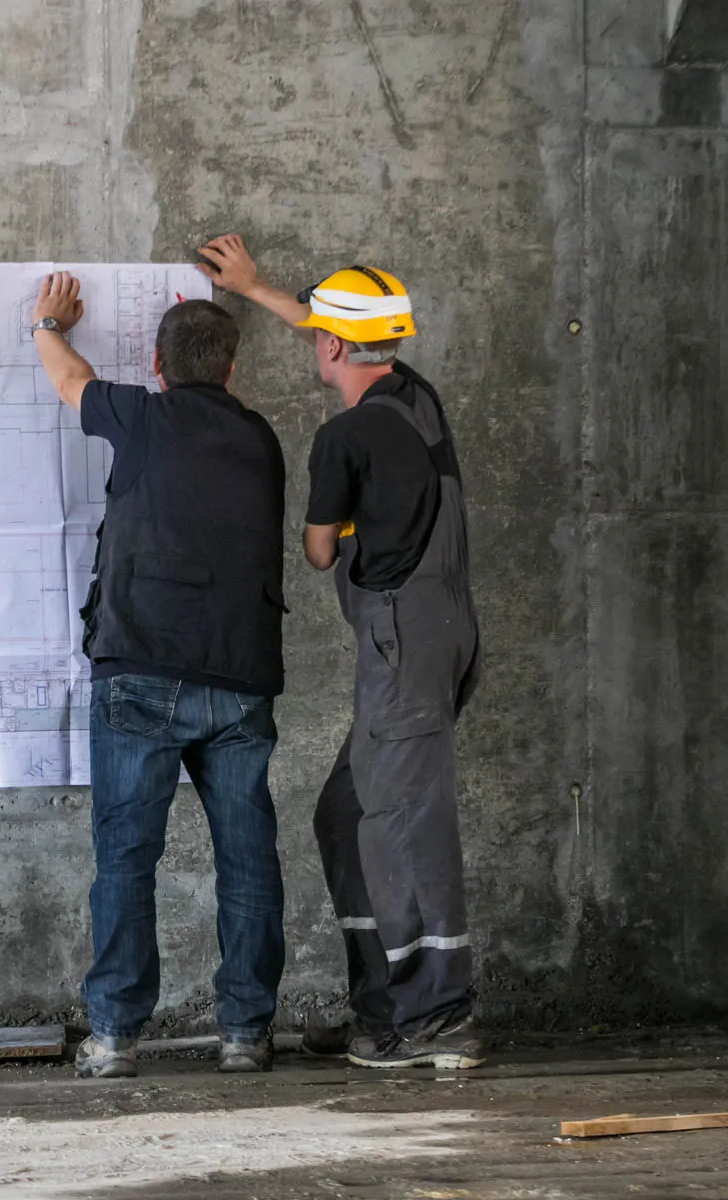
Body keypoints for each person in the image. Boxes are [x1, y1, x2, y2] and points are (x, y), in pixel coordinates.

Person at [197, 235, 485, 1069]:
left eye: (318, 334)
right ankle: (386, 1005)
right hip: (442, 636)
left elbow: (320, 552)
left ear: (331, 347)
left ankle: (439, 1016)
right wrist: (253, 288)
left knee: (402, 824)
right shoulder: (415, 398)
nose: (312, 341)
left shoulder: (343, 441)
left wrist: (342, 519)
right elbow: (328, 328)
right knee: (349, 815)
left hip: (400, 645)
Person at [28, 271, 289, 1078]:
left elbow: (68, 379)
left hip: (141, 668)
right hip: (240, 678)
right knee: (246, 859)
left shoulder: (139, 417)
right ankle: (245, 1033)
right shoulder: (263, 440)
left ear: (156, 364)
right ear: (233, 370)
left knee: (127, 860)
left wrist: (46, 322)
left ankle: (113, 1037)